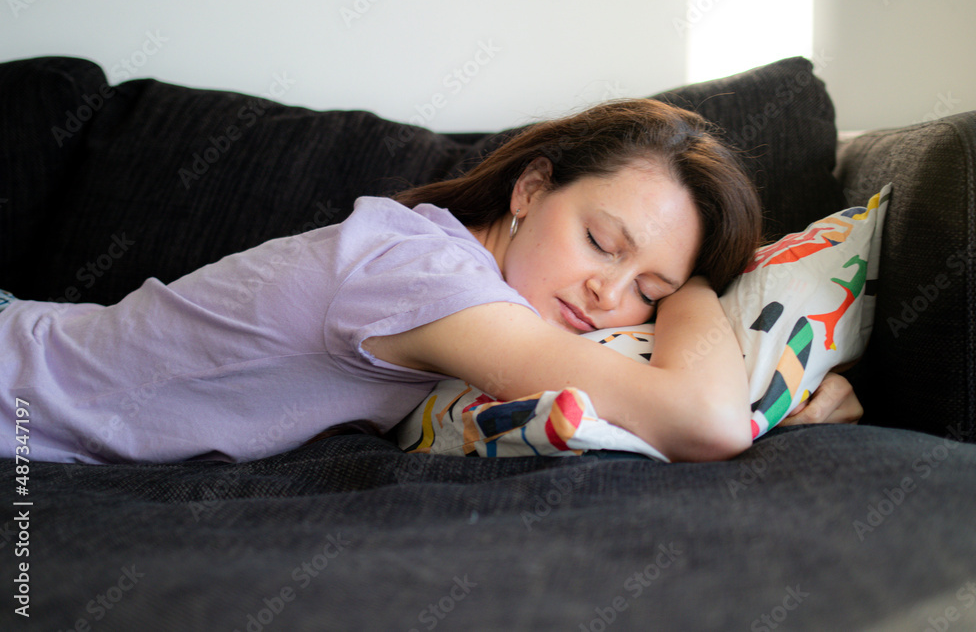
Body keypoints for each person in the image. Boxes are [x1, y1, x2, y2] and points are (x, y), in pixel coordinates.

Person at [0, 99, 861, 466]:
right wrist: (693, 294)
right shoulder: (426, 277)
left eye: (647, 288)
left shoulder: (471, 279)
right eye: (603, 241)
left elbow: (669, 406)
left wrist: (784, 396)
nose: (611, 296)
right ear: (530, 190)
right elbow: (703, 420)